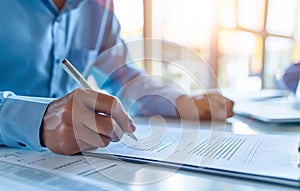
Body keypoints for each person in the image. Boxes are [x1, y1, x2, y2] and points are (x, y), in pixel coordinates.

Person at [0, 0, 234, 155]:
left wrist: (181, 102)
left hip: (63, 166)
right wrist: (36, 120)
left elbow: (123, 77)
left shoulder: (98, 8)